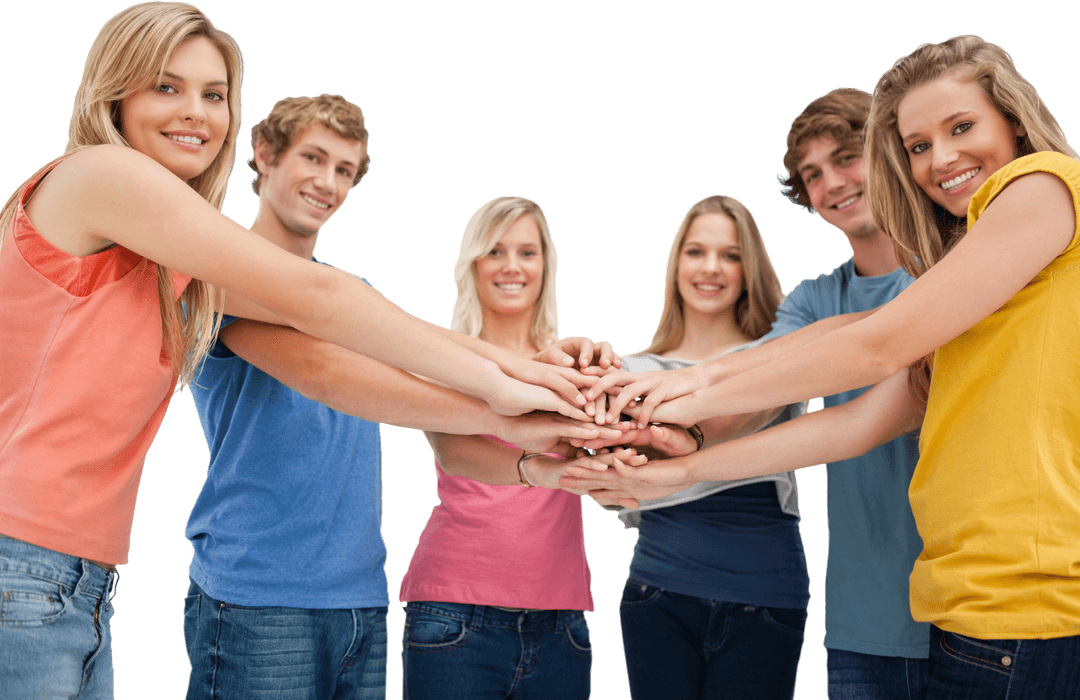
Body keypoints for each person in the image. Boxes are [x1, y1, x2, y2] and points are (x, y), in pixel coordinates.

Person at [0, 3, 588, 696]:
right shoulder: (101, 174)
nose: (196, 112)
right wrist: (504, 390)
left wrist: (528, 373)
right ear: (114, 93)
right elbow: (321, 332)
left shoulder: (173, 266)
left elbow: (353, 336)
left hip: (76, 579)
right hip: (28, 562)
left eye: (213, 95)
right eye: (166, 86)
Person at [581, 35, 1080, 700]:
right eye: (920, 145)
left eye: (963, 126)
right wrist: (681, 458)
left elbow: (878, 344)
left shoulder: (1043, 184)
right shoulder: (964, 289)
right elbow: (852, 421)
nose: (943, 158)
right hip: (971, 605)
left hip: (1030, 608)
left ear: (1014, 120)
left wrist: (680, 398)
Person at [181, 96, 615, 700]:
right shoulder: (218, 281)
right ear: (264, 155)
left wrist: (540, 369)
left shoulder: (348, 298)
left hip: (360, 597)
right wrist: (509, 411)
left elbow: (424, 339)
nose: (328, 182)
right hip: (257, 595)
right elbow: (329, 375)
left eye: (344, 170)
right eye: (313, 157)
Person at [398, 196, 624, 700]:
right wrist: (538, 467)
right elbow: (456, 453)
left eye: (527, 252)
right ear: (472, 263)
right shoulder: (444, 358)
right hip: (455, 614)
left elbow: (602, 469)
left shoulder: (576, 363)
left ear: (547, 265)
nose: (511, 267)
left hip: (561, 617)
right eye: (495, 251)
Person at [587, 195, 811, 700]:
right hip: (657, 597)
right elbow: (610, 489)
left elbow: (737, 416)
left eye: (731, 255)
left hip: (765, 600)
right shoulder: (631, 370)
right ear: (675, 264)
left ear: (748, 268)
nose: (711, 268)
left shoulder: (783, 354)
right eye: (696, 252)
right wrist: (606, 470)